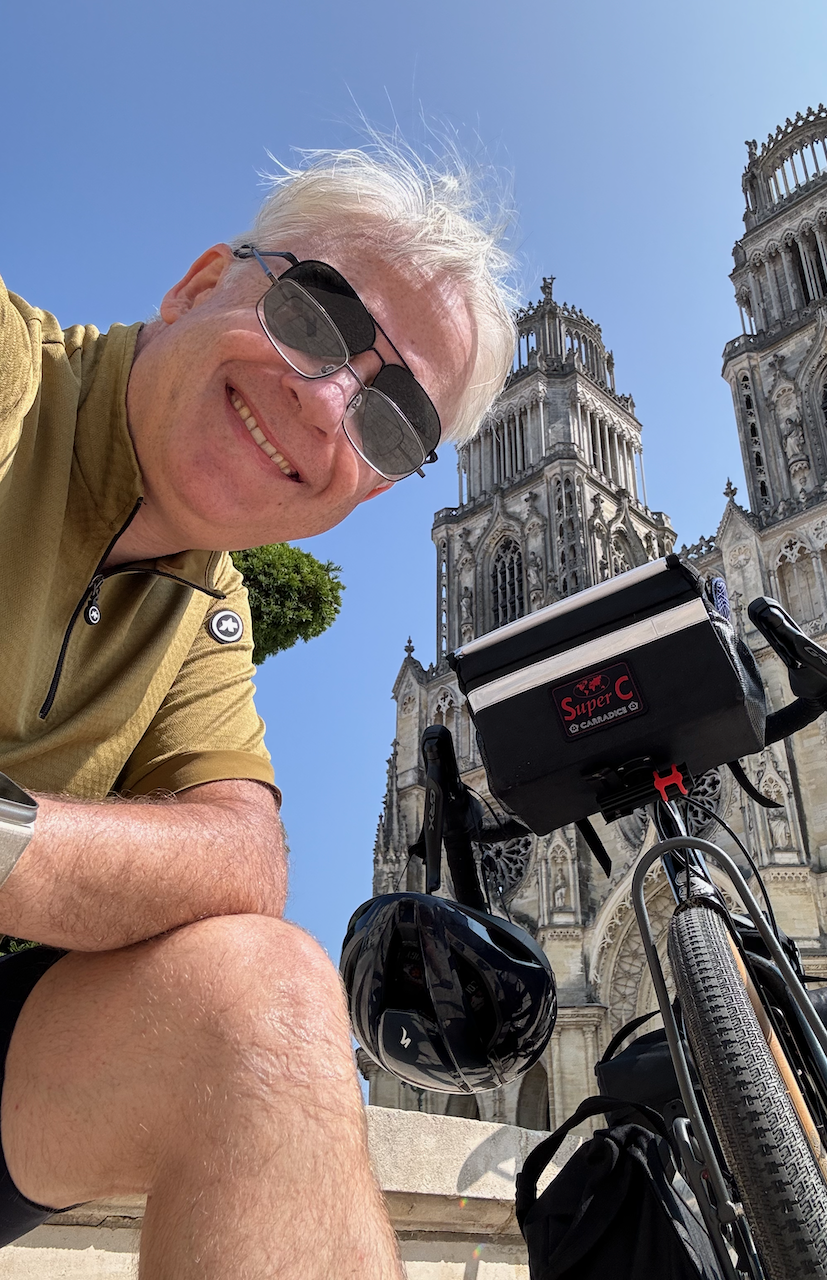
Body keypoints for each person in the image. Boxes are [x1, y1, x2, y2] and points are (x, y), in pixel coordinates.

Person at [0, 146, 516, 1277]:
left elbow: (246, 855)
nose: (328, 402)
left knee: (276, 1002)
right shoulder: (14, 377)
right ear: (196, 286)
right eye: (316, 315)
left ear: (376, 487)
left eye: (393, 421)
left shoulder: (210, 601)